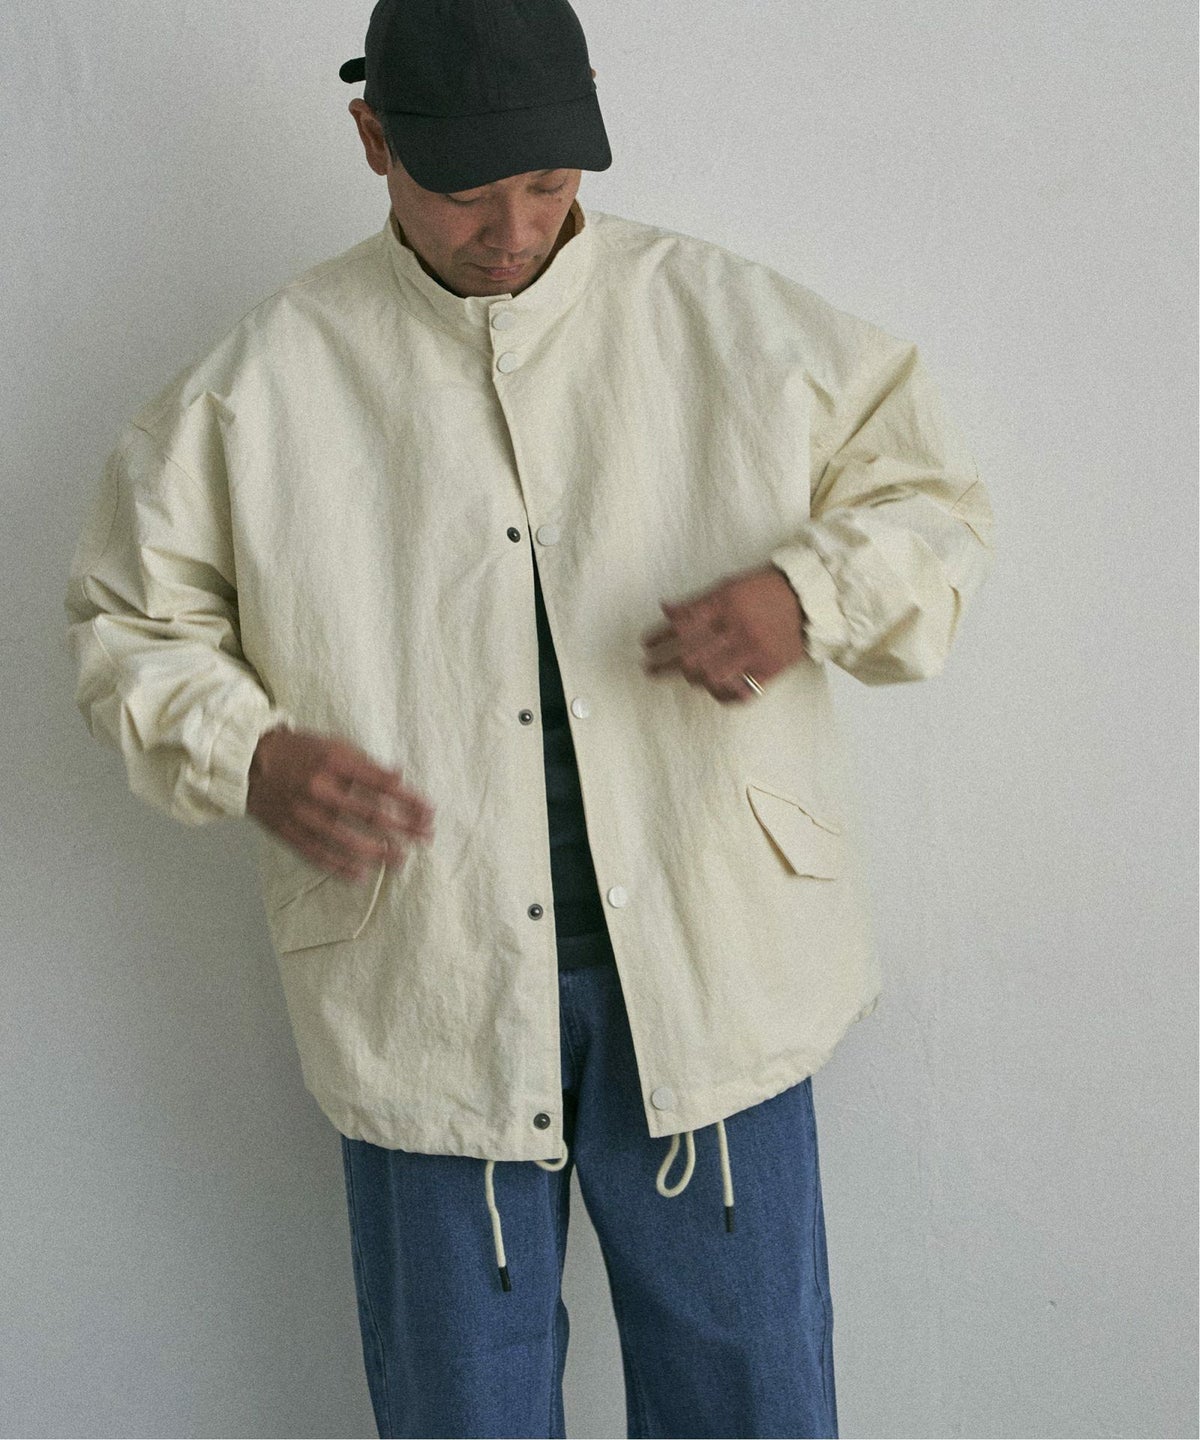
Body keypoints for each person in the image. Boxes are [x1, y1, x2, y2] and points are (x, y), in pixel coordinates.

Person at [65, 1, 994, 1435]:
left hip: (714, 964)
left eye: (551, 183)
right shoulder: (257, 389)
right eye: (466, 191)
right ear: (374, 139)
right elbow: (128, 622)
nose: (512, 231)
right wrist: (247, 751)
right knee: (461, 1414)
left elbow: (932, 500)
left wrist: (808, 594)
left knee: (753, 1403)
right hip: (426, 985)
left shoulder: (735, 326)